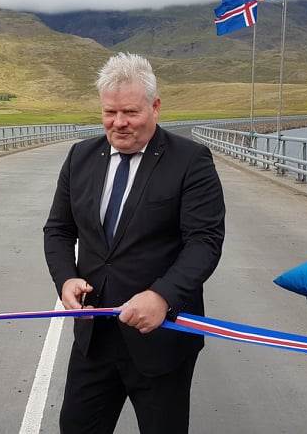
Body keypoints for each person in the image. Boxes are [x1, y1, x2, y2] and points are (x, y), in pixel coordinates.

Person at [44, 53, 225, 434]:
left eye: (130, 112)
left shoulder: (191, 160)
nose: (119, 123)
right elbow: (58, 230)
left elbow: (204, 242)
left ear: (155, 107)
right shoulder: (80, 157)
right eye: (110, 112)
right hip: (94, 336)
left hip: (161, 339)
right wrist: (65, 279)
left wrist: (162, 296)